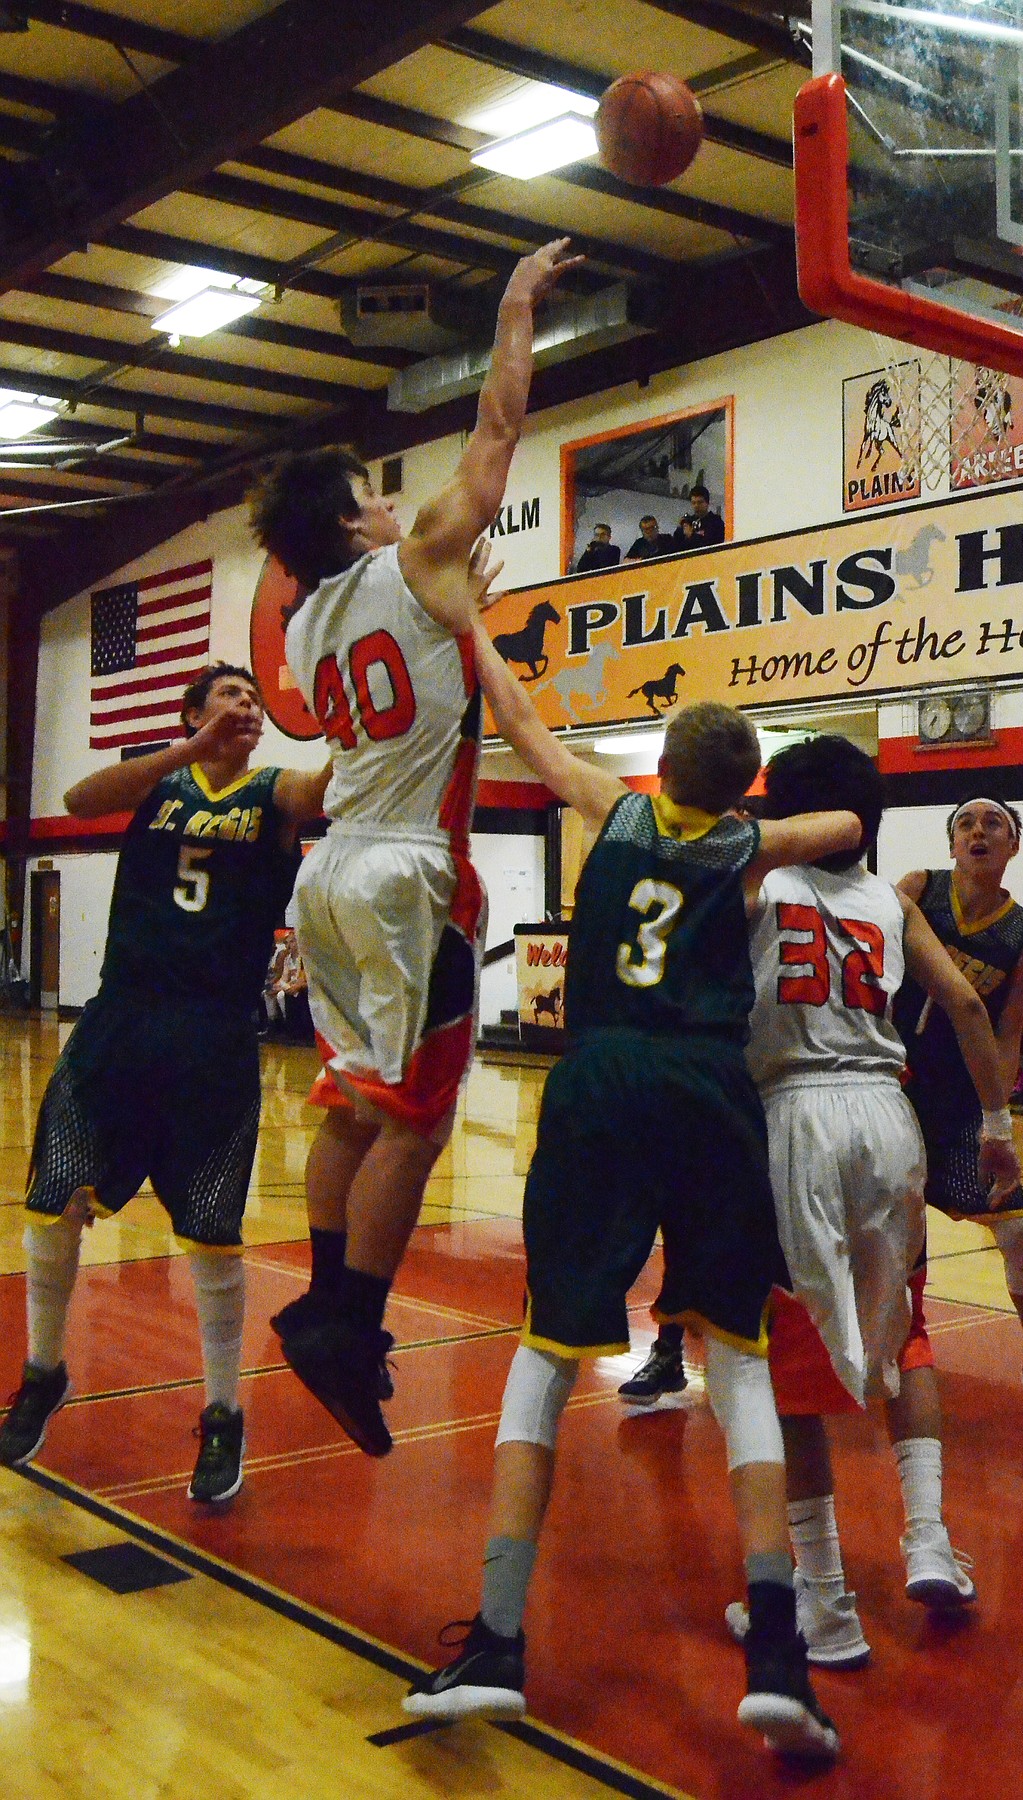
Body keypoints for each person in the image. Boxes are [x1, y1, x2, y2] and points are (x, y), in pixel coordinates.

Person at [403, 631, 863, 1756]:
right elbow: (843, 827)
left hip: (601, 1077)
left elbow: (519, 723)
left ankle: (499, 1642)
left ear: (661, 762)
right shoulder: (753, 842)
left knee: (547, 1351)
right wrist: (783, 811)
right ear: (741, 784)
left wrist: (472, 633)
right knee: (741, 1359)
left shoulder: (607, 806)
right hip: (711, 1090)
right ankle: (778, 1665)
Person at [248, 238, 582, 1459]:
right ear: (353, 516)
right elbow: (498, 424)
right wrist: (513, 307)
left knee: (347, 1100)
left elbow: (423, 644)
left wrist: (461, 609)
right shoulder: (414, 558)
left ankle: (329, 1295)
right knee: (417, 1120)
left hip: (329, 867)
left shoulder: (307, 628)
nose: (397, 501)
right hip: (402, 873)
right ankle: (352, 1322)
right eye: (376, 493)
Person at [722, 738, 1021, 1667]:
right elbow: (969, 1011)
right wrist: (998, 1125)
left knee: (796, 1366)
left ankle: (823, 1601)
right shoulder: (891, 901)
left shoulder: (756, 884)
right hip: (889, 1122)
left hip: (795, 1118)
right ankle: (927, 1536)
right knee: (909, 1335)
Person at [0, 665, 329, 1503]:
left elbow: (331, 782)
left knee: (213, 1232)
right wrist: (187, 748)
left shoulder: (276, 792)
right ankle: (43, 1373)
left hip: (213, 1034)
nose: (248, 708)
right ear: (193, 713)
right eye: (232, 696)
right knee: (52, 1200)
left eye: (255, 700)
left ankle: (223, 1414)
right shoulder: (158, 779)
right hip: (121, 1021)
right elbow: (77, 799)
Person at [894, 797, 1023, 1436]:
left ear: (1013, 847)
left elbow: (1006, 1031)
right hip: (889, 1085)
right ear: (951, 843)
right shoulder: (918, 890)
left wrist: (997, 1120)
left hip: (960, 1098)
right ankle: (903, 1342)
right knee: (899, 1226)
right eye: (966, 823)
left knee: (1019, 1227)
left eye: (992, 824)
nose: (978, 831)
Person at [673, 484, 726, 550]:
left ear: (707, 503)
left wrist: (692, 535)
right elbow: (676, 545)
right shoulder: (688, 522)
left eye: (700, 502)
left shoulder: (715, 522)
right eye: (693, 503)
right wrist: (680, 529)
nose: (696, 506)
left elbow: (712, 545)